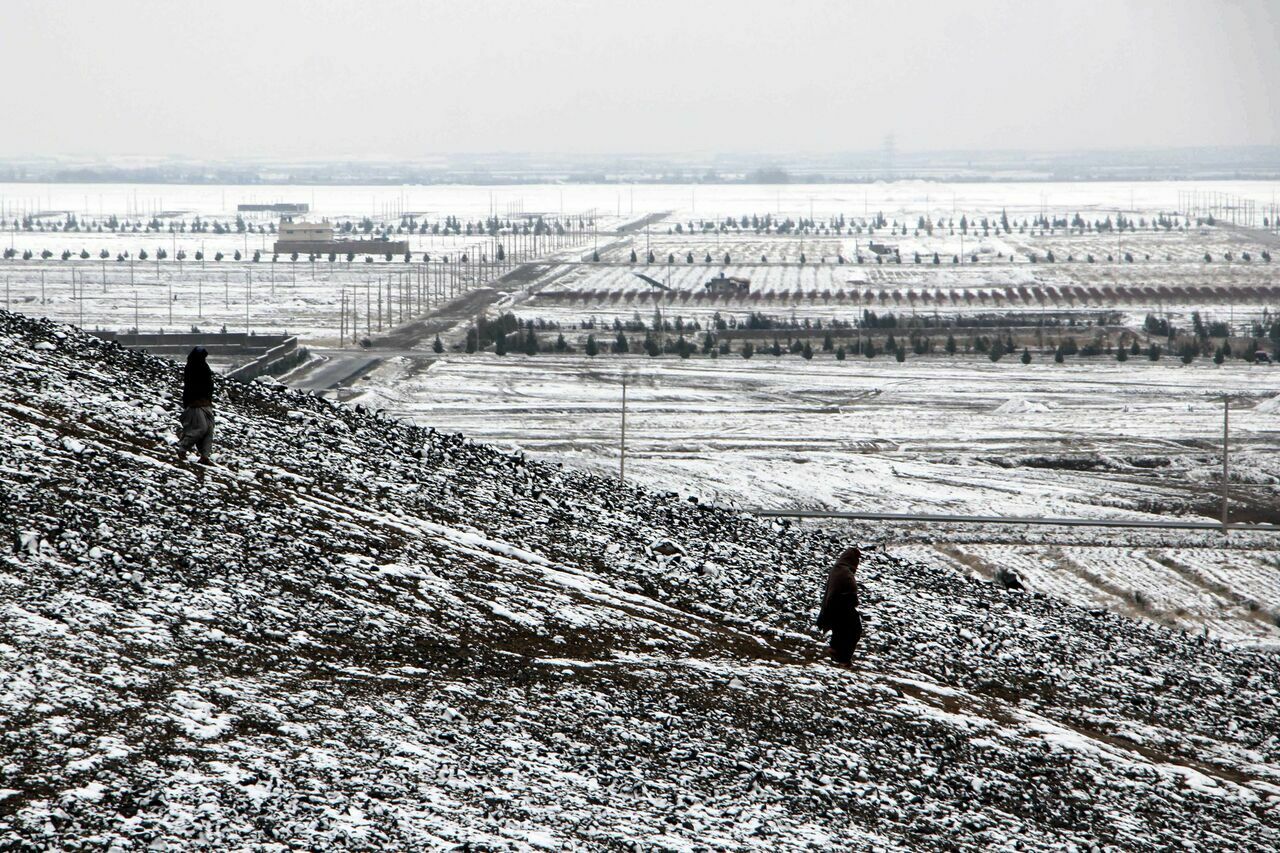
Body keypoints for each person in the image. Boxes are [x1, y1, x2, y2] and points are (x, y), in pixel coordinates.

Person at [817, 546, 863, 665]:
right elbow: (847, 589)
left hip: (835, 605)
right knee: (853, 630)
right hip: (841, 605)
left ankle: (839, 654)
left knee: (842, 630)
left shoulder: (838, 569)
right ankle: (842, 658)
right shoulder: (844, 572)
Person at [177, 346, 215, 465]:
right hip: (195, 403)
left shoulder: (204, 366)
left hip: (206, 402)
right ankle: (182, 449)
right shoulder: (192, 367)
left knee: (209, 430)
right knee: (200, 428)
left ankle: (205, 456)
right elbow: (191, 386)